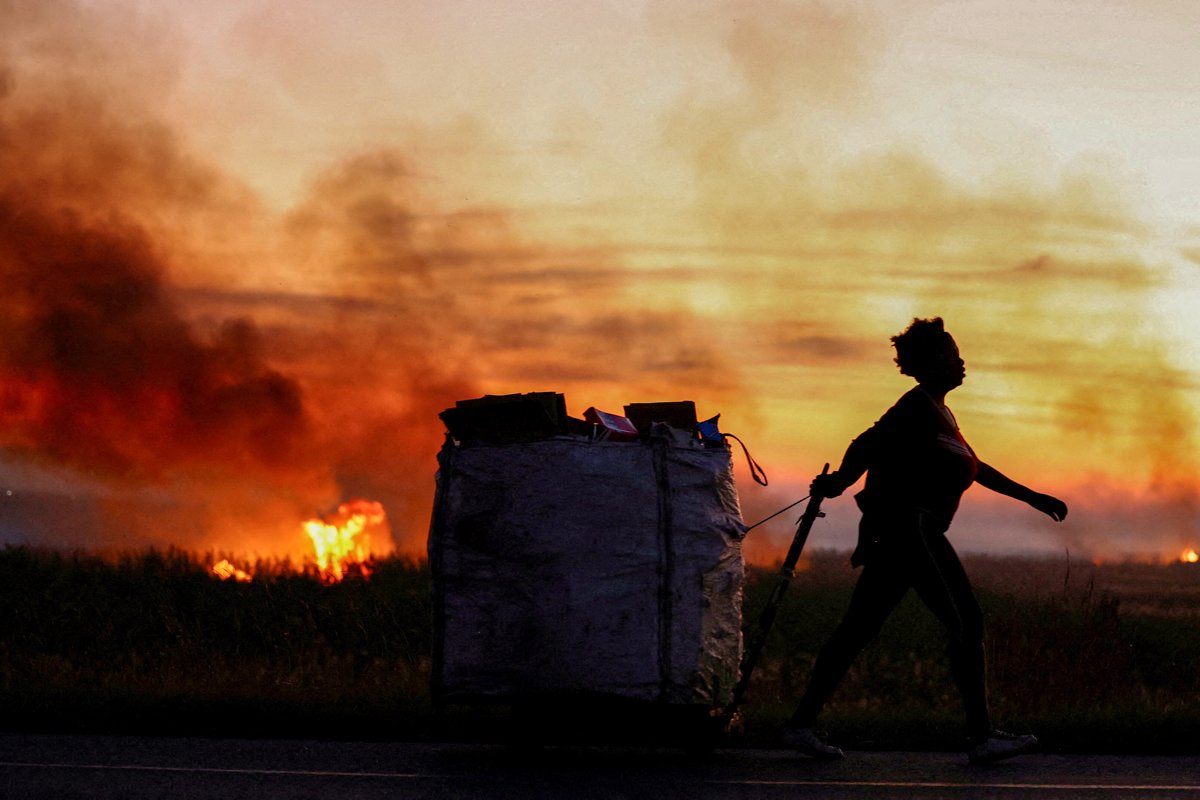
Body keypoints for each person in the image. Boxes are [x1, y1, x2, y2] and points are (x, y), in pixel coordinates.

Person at [782, 317, 1068, 766]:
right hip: (910, 529)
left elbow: (974, 465)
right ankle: (981, 737)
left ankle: (800, 725)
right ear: (931, 364)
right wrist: (838, 483)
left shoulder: (940, 413)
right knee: (964, 622)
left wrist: (1033, 497)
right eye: (952, 355)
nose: (961, 362)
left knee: (858, 629)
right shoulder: (914, 407)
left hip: (909, 533)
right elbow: (867, 443)